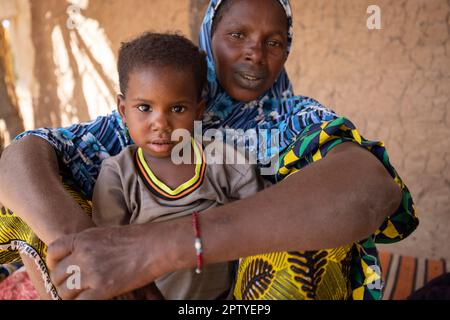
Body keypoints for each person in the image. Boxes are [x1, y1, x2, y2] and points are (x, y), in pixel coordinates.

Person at [0, 0, 418, 300]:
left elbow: (372, 188)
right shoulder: (150, 115)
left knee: (321, 229)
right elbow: (21, 158)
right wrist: (97, 254)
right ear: (209, 36)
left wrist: (154, 250)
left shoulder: (297, 120)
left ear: (287, 52)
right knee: (34, 205)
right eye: (238, 35)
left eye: (274, 41)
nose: (255, 51)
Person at [92, 32, 268, 300]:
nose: (161, 124)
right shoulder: (119, 174)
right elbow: (107, 251)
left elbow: (262, 223)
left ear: (198, 111)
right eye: (144, 108)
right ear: (122, 109)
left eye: (177, 109)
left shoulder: (222, 161)